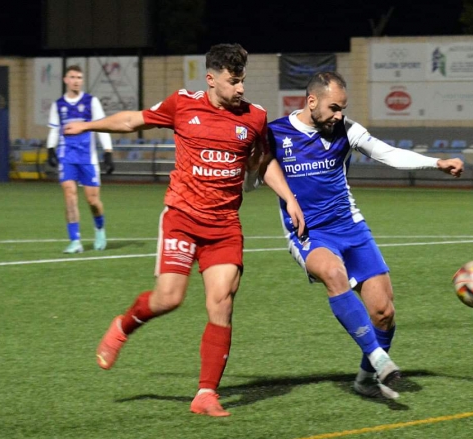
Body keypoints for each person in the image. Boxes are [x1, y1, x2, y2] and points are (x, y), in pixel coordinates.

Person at [63, 43, 305, 417]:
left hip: (224, 226)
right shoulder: (183, 103)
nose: (241, 89)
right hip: (182, 218)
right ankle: (123, 325)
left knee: (222, 302)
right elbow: (133, 121)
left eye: (243, 81)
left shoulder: (255, 117)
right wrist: (88, 126)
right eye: (233, 81)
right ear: (211, 79)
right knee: (169, 299)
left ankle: (206, 393)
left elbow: (263, 161)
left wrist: (289, 197)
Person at [262, 71, 464, 399]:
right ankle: (378, 357)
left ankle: (365, 380)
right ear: (311, 101)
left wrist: (436, 163)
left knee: (383, 312)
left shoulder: (347, 130)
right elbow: (256, 173)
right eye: (334, 107)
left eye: (343, 107)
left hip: (351, 228)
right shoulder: (275, 133)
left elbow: (388, 154)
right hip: (309, 233)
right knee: (332, 273)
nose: (339, 114)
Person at [46, 65, 115, 254]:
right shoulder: (58, 105)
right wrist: (50, 149)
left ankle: (99, 229)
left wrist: (108, 151)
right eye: (72, 77)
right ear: (65, 80)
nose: (76, 80)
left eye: (79, 77)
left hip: (88, 159)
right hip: (67, 157)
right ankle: (75, 241)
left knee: (92, 201)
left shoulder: (91, 102)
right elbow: (54, 129)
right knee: (69, 196)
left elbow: (103, 126)